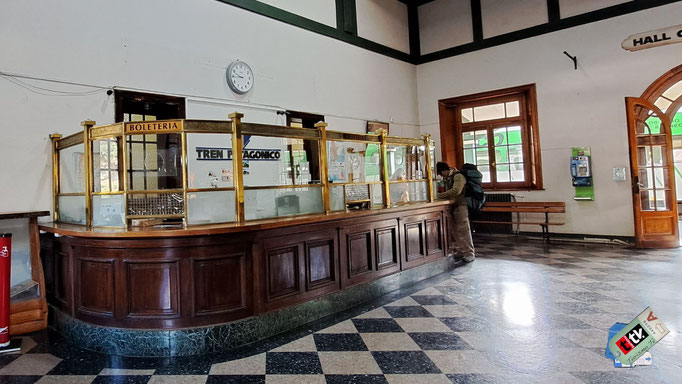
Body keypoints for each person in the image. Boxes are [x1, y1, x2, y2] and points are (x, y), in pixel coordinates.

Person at [436, 161, 475, 262]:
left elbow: (456, 191)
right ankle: (461, 251)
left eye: (440, 173)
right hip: (452, 206)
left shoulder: (458, 176)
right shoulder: (448, 177)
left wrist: (438, 196)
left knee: (463, 229)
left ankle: (469, 253)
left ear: (444, 170)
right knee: (455, 230)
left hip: (460, 206)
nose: (441, 176)